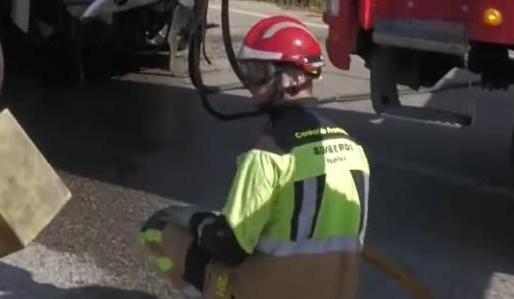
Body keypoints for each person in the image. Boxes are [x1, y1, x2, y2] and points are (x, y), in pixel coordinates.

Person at [140, 16, 370, 299]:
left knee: (157, 228)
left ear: (296, 77)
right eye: (247, 70)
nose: (249, 82)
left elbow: (229, 248)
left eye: (259, 71)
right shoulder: (353, 148)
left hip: (271, 291)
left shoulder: (268, 155)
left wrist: (196, 220)